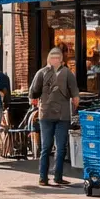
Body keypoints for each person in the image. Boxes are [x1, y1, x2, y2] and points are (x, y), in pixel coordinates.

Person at [28, 47, 79, 186]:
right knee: (57, 146)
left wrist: (35, 99)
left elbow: (33, 93)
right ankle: (53, 176)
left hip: (49, 113)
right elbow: (75, 96)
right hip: (60, 114)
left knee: (49, 147)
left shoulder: (44, 73)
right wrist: (75, 107)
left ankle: (47, 177)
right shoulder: (65, 73)